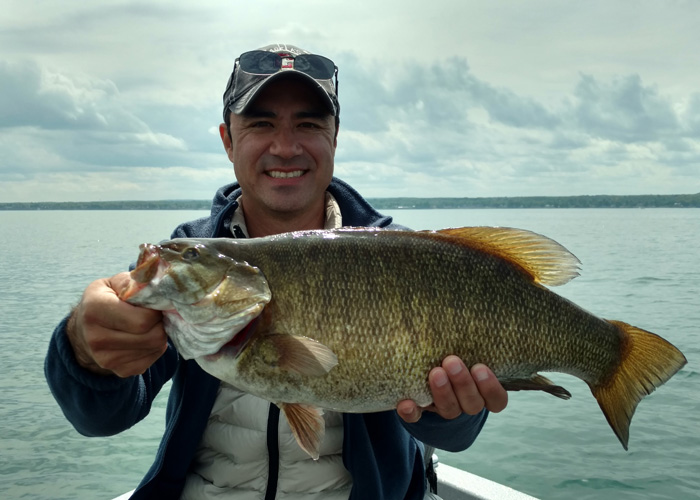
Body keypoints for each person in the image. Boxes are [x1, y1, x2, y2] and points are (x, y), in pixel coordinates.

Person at [45, 43, 508, 500]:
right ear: (228, 140)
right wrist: (86, 351)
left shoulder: (403, 258)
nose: (285, 148)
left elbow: (458, 434)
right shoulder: (192, 261)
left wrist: (445, 412)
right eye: (261, 123)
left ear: (334, 136)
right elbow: (101, 418)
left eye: (308, 123)